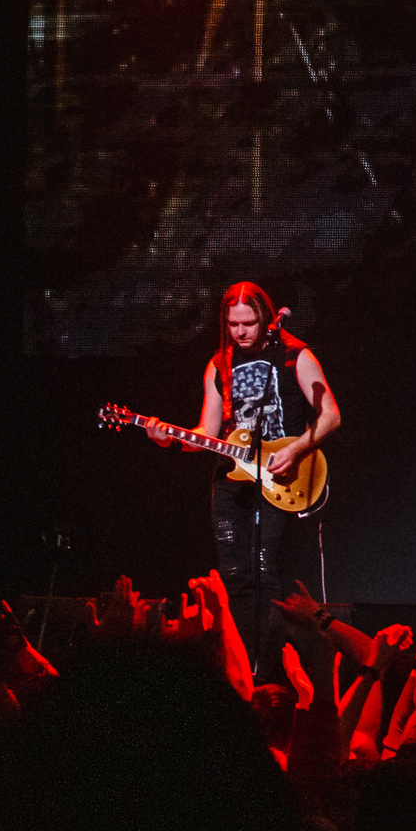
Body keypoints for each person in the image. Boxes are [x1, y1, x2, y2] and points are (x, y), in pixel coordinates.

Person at [151, 280, 340, 676]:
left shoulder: (295, 355)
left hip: (280, 475)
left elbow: (331, 415)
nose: (240, 332)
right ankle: (240, 669)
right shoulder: (218, 365)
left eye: (249, 323)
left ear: (266, 319)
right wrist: (170, 439)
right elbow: (207, 432)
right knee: (235, 577)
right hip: (231, 479)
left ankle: (267, 671)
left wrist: (295, 450)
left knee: (265, 572)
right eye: (233, 324)